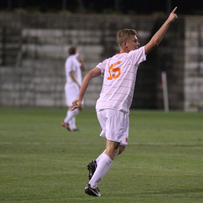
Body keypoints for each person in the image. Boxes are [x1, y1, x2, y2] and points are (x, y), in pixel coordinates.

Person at [72, 7, 178, 197]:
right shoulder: (131, 57)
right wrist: (168, 21)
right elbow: (154, 42)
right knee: (112, 149)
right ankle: (92, 185)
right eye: (134, 41)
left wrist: (79, 98)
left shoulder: (109, 61)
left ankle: (96, 164)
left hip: (103, 107)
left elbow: (88, 75)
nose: (137, 43)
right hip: (116, 109)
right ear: (125, 44)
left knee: (120, 147)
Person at [61, 46, 86, 131]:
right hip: (72, 86)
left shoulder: (75, 60)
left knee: (72, 106)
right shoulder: (70, 60)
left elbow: (83, 69)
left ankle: (72, 127)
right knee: (80, 106)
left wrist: (81, 60)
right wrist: (78, 83)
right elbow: (70, 73)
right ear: (76, 51)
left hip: (74, 86)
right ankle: (65, 121)